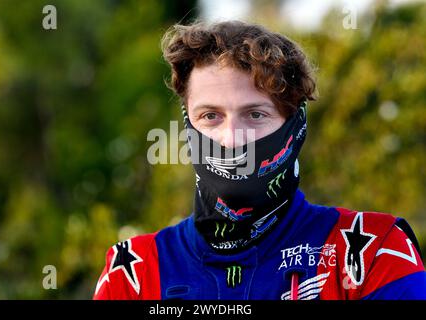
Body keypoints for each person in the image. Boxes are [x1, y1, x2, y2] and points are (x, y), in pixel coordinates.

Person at [93, 20, 426, 300]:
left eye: (255, 114)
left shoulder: (371, 252)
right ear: (187, 124)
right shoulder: (133, 272)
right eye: (210, 116)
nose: (232, 138)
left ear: (295, 123)